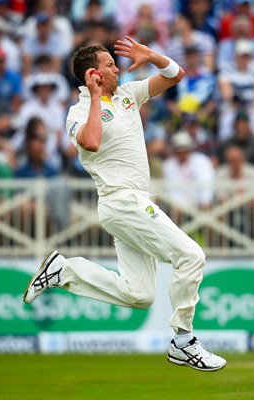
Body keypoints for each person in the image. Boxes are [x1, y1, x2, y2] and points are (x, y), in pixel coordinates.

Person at [23, 36, 226, 371]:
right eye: (109, 65)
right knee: (191, 256)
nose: (117, 68)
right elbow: (90, 141)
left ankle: (65, 270)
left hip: (134, 202)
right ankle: (183, 341)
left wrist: (153, 56)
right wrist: (93, 97)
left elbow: (176, 75)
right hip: (120, 200)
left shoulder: (129, 94)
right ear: (93, 75)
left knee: (139, 295)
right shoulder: (78, 112)